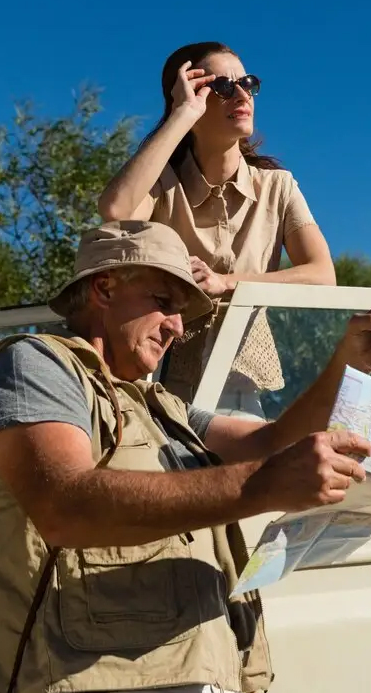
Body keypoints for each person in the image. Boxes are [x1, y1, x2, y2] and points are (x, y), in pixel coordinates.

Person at [0, 219, 371, 693]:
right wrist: (263, 484)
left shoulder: (162, 406)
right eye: (163, 303)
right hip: (99, 680)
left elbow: (275, 440)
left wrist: (353, 359)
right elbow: (64, 505)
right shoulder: (34, 364)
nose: (177, 327)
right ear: (104, 289)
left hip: (203, 675)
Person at [98, 41, 335, 421]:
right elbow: (115, 210)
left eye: (248, 83)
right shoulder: (161, 184)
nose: (242, 95)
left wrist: (226, 282)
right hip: (157, 382)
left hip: (239, 385)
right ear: (190, 96)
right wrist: (182, 114)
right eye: (223, 87)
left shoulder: (278, 187)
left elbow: (323, 278)